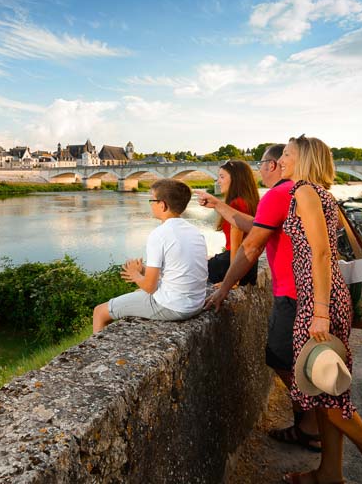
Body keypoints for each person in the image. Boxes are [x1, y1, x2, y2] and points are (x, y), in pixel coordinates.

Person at [278, 135, 362, 484]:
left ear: (305, 158)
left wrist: (320, 311)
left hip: (320, 300)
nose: (281, 159)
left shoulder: (305, 191)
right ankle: (330, 473)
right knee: (325, 387)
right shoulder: (321, 192)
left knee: (328, 390)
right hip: (322, 297)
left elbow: (321, 253)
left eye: (286, 154)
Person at [198, 145, 321, 452]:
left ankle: (320, 427)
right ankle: (308, 426)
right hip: (305, 292)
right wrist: (217, 204)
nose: (263, 168)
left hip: (294, 294)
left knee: (282, 359)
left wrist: (224, 288)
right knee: (299, 362)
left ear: (277, 165)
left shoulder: (280, 194)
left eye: (266, 162)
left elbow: (251, 247)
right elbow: (256, 225)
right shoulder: (304, 192)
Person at [92, 179, 208, 334]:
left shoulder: (159, 234)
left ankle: (101, 356)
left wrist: (134, 274)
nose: (150, 204)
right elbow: (178, 269)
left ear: (162, 205)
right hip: (196, 304)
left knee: (99, 311)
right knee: (136, 295)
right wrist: (145, 270)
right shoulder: (195, 231)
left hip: (174, 307)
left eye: (152, 200)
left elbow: (149, 287)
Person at [208, 160, 260, 286]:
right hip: (249, 266)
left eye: (222, 177)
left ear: (235, 179)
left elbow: (236, 247)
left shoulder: (236, 204)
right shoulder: (251, 201)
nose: (218, 181)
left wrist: (232, 280)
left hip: (234, 266)